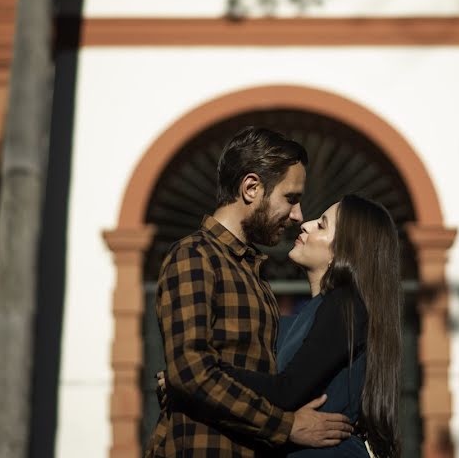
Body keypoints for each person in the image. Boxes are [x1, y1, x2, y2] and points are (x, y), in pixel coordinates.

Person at [146, 126, 354, 457]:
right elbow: (190, 371)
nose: (298, 215)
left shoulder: (252, 273)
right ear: (251, 188)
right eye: (291, 198)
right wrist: (286, 426)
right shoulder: (195, 255)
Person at [160, 194, 403, 457]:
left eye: (321, 225)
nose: (306, 224)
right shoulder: (299, 317)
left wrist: (194, 375)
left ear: (344, 252)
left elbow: (286, 390)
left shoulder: (345, 306)